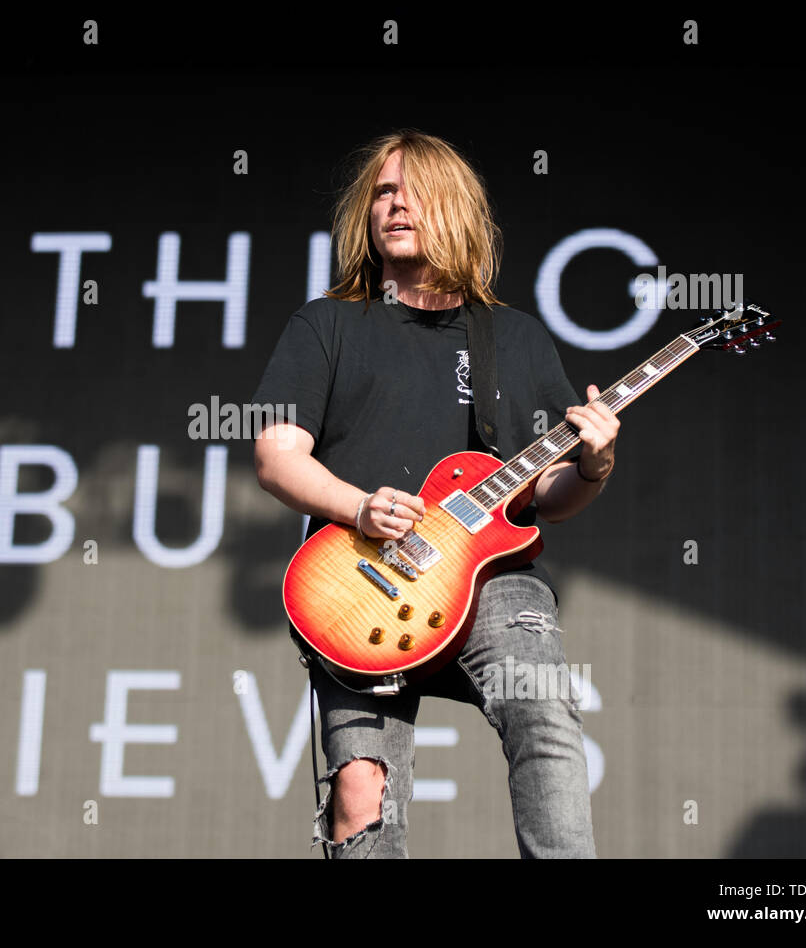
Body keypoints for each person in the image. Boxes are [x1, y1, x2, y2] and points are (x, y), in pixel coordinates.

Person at [250, 129, 619, 858]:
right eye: (382, 191)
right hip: (363, 576)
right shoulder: (326, 322)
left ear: (456, 208)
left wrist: (596, 464)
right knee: (361, 787)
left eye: (413, 189)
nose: (395, 203)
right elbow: (275, 453)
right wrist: (357, 506)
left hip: (493, 580)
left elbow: (549, 490)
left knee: (543, 712)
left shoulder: (514, 338)